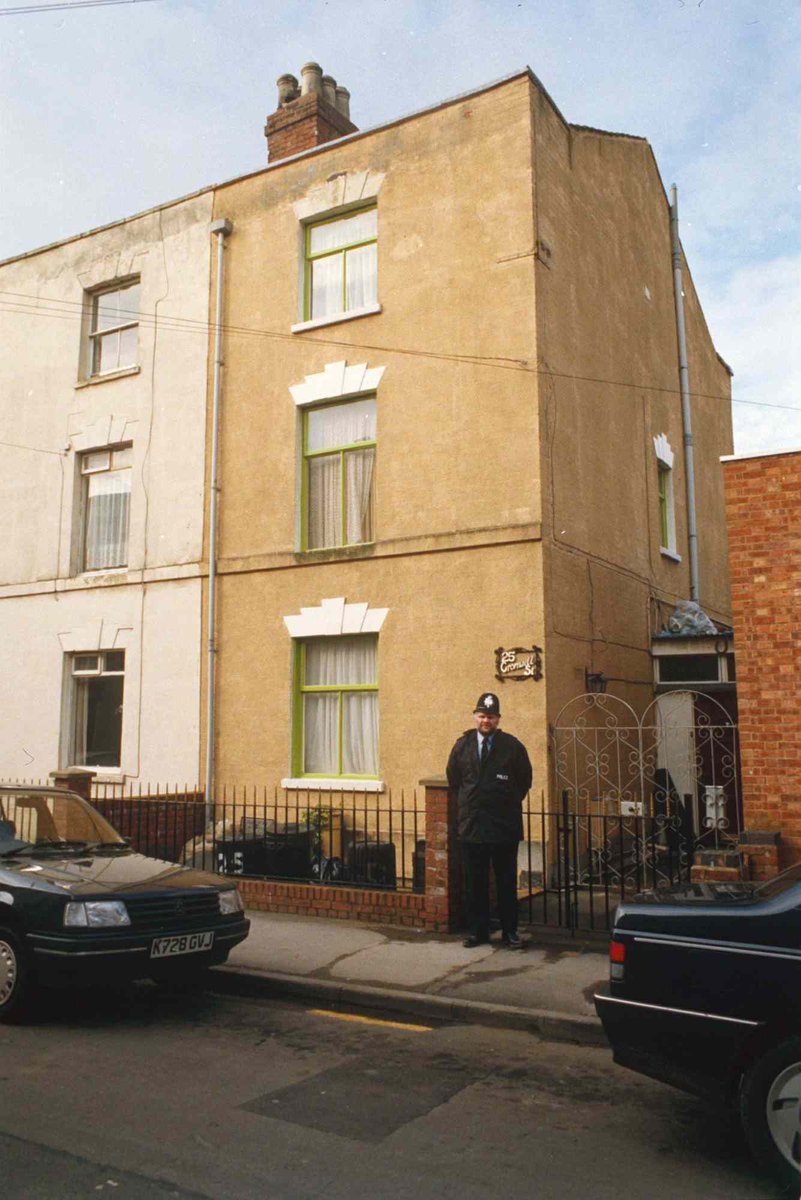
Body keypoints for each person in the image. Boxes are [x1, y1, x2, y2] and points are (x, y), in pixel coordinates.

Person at [446, 691, 532, 949]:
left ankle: (510, 932)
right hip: (472, 826)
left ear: (498, 719)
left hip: (503, 827)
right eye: (482, 716)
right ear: (475, 717)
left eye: (491, 717)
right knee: (476, 883)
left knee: (506, 882)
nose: (486, 721)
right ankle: (478, 932)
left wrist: (504, 801)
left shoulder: (512, 746)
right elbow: (454, 780)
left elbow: (524, 780)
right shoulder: (462, 746)